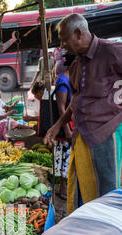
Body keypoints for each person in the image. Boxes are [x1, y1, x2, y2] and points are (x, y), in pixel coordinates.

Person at [44, 13, 122, 214]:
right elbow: (75, 103)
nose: (62, 45)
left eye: (63, 39)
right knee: (83, 194)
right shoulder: (77, 65)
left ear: (78, 34)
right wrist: (57, 125)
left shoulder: (111, 51)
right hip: (82, 136)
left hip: (106, 134)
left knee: (107, 196)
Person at [53, 53, 75, 199]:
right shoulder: (63, 80)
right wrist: (67, 129)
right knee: (63, 159)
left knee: (67, 158)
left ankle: (66, 187)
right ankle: (62, 188)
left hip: (70, 125)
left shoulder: (69, 78)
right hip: (64, 129)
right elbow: (61, 106)